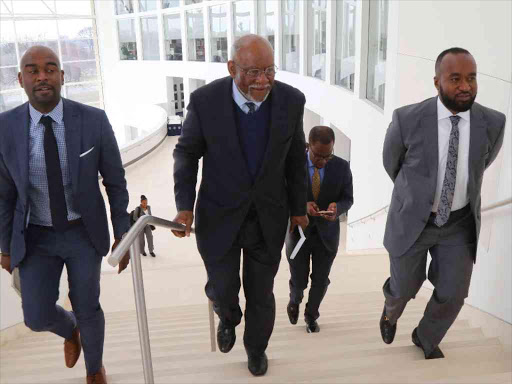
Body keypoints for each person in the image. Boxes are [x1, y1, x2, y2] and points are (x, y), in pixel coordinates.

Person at [172, 34, 308, 376]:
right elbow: (187, 154)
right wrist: (184, 206)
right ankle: (227, 315)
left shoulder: (292, 101)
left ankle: (256, 349)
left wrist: (298, 209)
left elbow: (295, 160)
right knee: (224, 288)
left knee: (261, 293)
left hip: (268, 218)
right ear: (232, 67)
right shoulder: (205, 101)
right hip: (218, 216)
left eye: (269, 71)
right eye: (252, 72)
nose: (263, 80)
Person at [0, 46, 131, 384]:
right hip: (35, 235)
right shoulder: (6, 127)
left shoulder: (93, 120)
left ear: (62, 75)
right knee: (35, 315)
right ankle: (70, 330)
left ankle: (94, 369)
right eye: (32, 70)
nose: (42, 76)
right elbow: (4, 193)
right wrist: (4, 245)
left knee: (88, 304)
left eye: (50, 68)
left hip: (82, 232)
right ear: (21, 79)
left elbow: (115, 181)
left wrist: (123, 232)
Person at [379, 47, 506, 359]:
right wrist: (420, 196)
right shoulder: (406, 119)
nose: (465, 86)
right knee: (405, 286)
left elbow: (482, 164)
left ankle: (425, 336)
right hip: (413, 220)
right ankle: (390, 313)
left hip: (459, 224)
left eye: (471, 78)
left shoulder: (493, 122)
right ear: (437, 82)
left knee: (454, 292)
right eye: (456, 79)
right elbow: (391, 164)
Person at [285, 126, 353, 333]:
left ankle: (311, 315)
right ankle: (294, 300)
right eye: (318, 156)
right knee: (299, 279)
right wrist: (300, 207)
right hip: (298, 235)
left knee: (321, 280)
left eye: (328, 156)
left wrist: (337, 208)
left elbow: (348, 198)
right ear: (308, 146)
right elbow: (278, 196)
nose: (322, 160)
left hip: (328, 235)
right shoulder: (291, 165)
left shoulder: (341, 167)